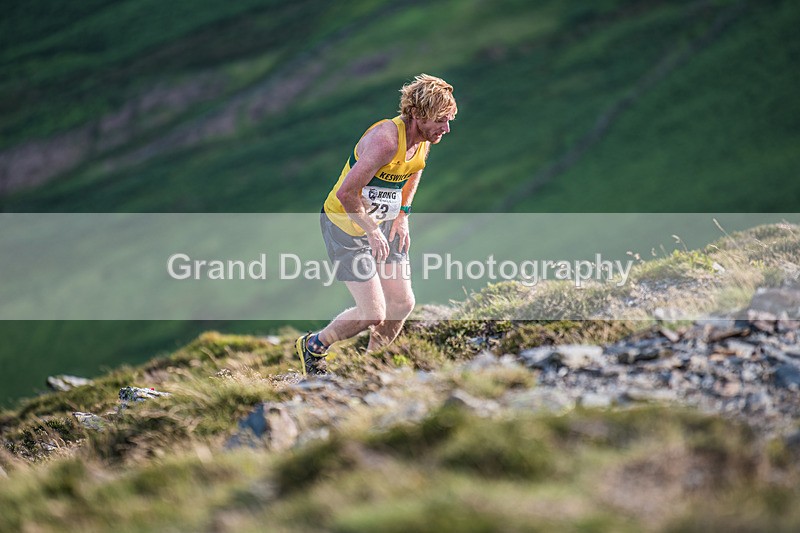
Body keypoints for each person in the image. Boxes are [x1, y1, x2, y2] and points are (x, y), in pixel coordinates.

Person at [295, 74, 457, 375]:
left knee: (402, 304)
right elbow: (346, 193)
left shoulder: (423, 140)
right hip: (345, 225)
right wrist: (371, 230)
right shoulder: (385, 141)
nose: (446, 129)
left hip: (383, 224)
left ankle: (371, 366)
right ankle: (314, 345)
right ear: (418, 115)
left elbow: (414, 170)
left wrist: (402, 215)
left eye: (449, 120)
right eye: (441, 121)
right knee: (373, 313)